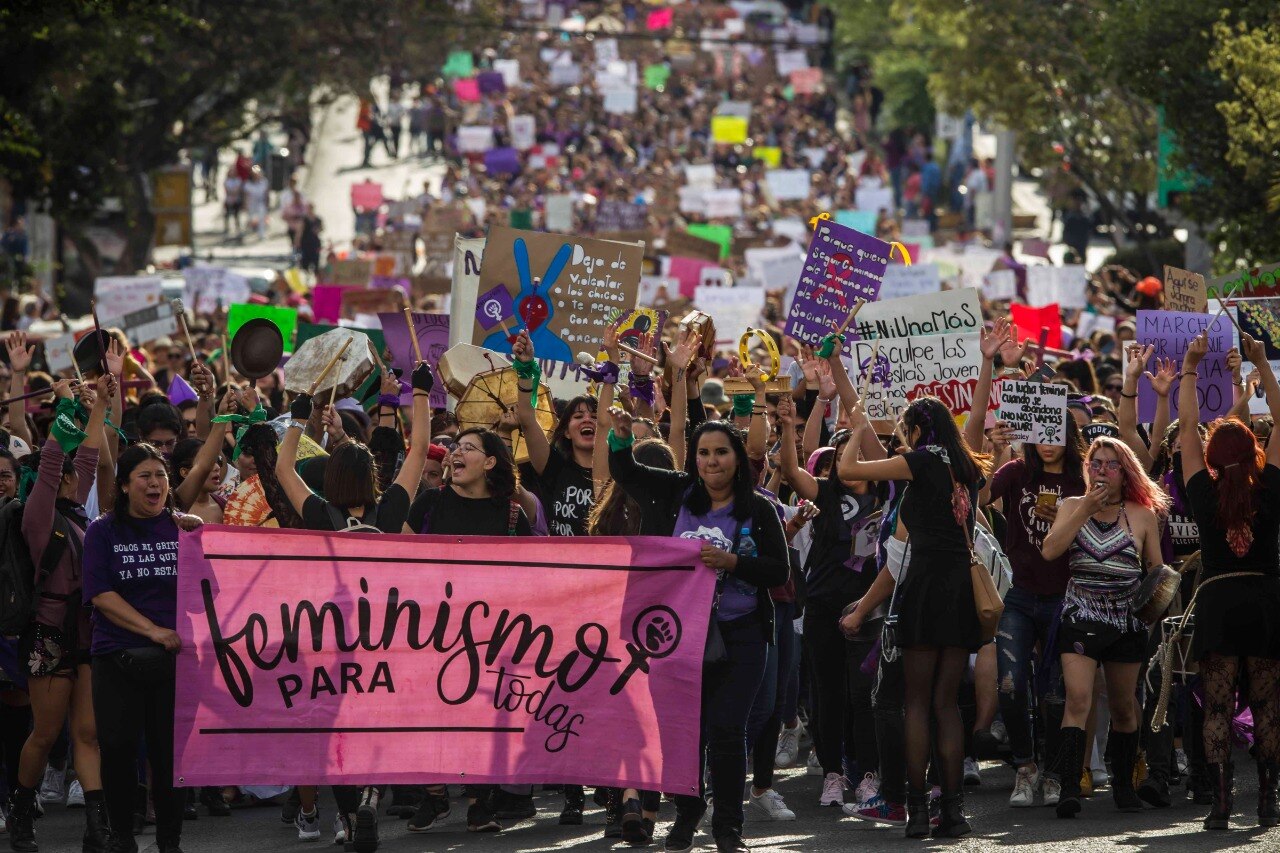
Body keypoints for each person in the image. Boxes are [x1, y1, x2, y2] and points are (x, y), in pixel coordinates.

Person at [610, 410, 788, 853]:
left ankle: (728, 829)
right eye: (704, 453)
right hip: (678, 637)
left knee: (728, 730)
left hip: (743, 634)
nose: (712, 462)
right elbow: (625, 470)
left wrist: (733, 563)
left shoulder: (761, 508)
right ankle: (687, 816)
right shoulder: (676, 493)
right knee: (682, 734)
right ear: (694, 460)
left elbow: (780, 571)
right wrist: (618, 436)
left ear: (738, 458)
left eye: (721, 452)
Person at [273, 364, 432, 850]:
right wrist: (420, 391)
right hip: (385, 639)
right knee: (376, 727)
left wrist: (297, 418)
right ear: (373, 478)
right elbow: (421, 449)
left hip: (331, 641)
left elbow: (282, 470)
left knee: (337, 731)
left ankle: (346, 815)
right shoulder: (390, 512)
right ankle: (368, 798)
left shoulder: (321, 514)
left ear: (331, 479)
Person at [838, 394, 992, 839]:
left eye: (907, 430)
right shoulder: (969, 468)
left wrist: (856, 428)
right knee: (947, 704)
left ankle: (919, 812)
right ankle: (955, 814)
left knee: (917, 703)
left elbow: (849, 472)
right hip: (959, 587)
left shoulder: (919, 461)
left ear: (920, 431)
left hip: (924, 586)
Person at [403, 427, 535, 835]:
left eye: (469, 448)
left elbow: (534, 576)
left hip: (491, 634)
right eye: (456, 448)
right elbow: (398, 558)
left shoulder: (512, 515)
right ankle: (435, 792)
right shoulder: (429, 503)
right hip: (430, 629)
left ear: (490, 463)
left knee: (485, 718)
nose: (456, 453)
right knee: (427, 714)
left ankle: (480, 801)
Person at [1178, 332, 1280, 830]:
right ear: (1254, 449)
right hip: (1264, 600)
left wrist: (1191, 367)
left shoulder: (1201, 491)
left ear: (1214, 456)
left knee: (1216, 705)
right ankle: (1267, 800)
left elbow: (1187, 429)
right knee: (1267, 703)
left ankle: (1220, 806)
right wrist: (1263, 364)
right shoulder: (1271, 488)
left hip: (1218, 601)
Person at [1040, 436, 1168, 819]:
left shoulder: (1141, 514)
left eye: (1111, 464)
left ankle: (1124, 783)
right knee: (1078, 699)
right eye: (1095, 463)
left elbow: (1157, 572)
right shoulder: (1072, 506)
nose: (1101, 471)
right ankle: (1068, 785)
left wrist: (1152, 613)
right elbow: (1050, 550)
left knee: (1124, 707)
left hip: (1125, 621)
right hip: (1081, 615)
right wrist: (1083, 511)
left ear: (1124, 471)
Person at [9, 376, 110, 853]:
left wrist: (102, 406)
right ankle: (22, 807)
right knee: (46, 733)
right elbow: (56, 462)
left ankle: (97, 826)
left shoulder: (78, 515)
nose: (79, 475)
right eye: (71, 473)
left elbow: (87, 457)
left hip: (87, 633)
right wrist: (65, 415)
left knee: (87, 732)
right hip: (47, 635)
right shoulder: (37, 516)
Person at [83, 442, 200, 853]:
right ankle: (122, 836)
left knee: (170, 757)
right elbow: (99, 594)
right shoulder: (102, 530)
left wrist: (203, 539)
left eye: (161, 476)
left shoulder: (184, 528)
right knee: (117, 751)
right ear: (125, 485)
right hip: (116, 656)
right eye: (145, 477)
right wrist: (152, 629)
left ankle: (170, 841)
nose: (155, 484)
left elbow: (208, 593)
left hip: (175, 661)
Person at [983, 415, 1087, 808]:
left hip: (1067, 597)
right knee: (1010, 684)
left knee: (1058, 693)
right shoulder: (1016, 472)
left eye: (1056, 435)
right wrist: (995, 452)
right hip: (1020, 595)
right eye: (1041, 436)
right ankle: (1025, 768)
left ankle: (1056, 774)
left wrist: (1065, 519)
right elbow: (979, 499)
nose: (1048, 444)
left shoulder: (1082, 480)